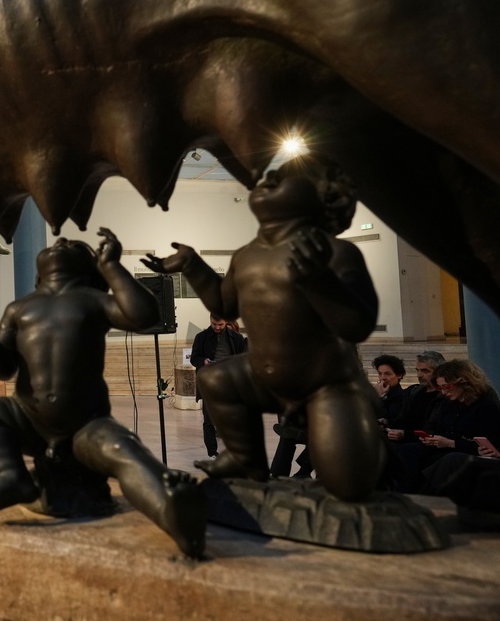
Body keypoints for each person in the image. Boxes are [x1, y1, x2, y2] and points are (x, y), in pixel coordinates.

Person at [0, 228, 207, 559]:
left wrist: (112, 267)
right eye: (59, 242)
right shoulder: (19, 308)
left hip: (87, 425)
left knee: (125, 453)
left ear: (89, 272)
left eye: (73, 244)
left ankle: (173, 512)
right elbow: (5, 368)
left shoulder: (93, 300)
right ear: (39, 276)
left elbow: (145, 316)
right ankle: (11, 476)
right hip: (27, 417)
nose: (61, 242)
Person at [142, 154, 386, 501]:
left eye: (285, 177)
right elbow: (224, 306)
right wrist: (192, 265)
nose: (269, 178)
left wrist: (320, 281)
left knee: (349, 487)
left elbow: (358, 324)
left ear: (323, 197)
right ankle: (246, 459)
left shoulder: (334, 252)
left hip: (326, 382)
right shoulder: (246, 254)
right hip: (264, 376)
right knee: (215, 378)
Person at [393, 359, 500, 493]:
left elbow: (487, 445)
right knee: (408, 450)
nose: (444, 392)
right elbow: (442, 429)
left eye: (447, 387)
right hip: (446, 446)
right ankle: (401, 493)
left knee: (445, 460)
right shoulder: (448, 403)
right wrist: (432, 439)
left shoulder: (485, 406)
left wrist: (451, 443)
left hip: (465, 449)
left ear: (463, 382)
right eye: (440, 388)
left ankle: (421, 497)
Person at [180, 313, 247, 458]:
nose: (217, 327)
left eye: (220, 325)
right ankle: (212, 453)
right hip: (209, 385)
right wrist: (204, 361)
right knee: (209, 421)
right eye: (214, 324)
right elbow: (194, 359)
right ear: (210, 320)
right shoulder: (201, 337)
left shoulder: (237, 338)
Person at [384, 350, 445, 443]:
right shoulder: (414, 391)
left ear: (438, 372)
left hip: (424, 444)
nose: (419, 375)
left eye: (425, 371)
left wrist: (405, 434)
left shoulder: (444, 396)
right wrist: (385, 423)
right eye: (417, 370)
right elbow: (401, 419)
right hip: (404, 439)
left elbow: (433, 430)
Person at [372, 354, 408, 427]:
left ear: (399, 375)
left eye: (387, 374)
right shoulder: (377, 391)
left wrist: (379, 397)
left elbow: (386, 416)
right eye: (380, 374)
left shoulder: (400, 395)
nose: (383, 378)